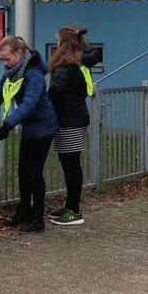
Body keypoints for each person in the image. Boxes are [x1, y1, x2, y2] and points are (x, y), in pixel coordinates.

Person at [0, 36, 58, 233]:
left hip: (44, 127)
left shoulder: (34, 74)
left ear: (19, 53)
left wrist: (7, 125)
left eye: (8, 58)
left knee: (34, 172)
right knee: (23, 171)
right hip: (29, 127)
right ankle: (24, 211)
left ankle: (38, 220)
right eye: (3, 59)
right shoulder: (11, 73)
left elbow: (29, 103)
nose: (5, 63)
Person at [46, 26, 100, 226]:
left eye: (58, 40)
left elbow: (56, 92)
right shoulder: (79, 63)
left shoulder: (65, 67)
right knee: (71, 165)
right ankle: (70, 206)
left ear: (64, 43)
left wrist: (43, 101)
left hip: (69, 121)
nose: (56, 44)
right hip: (76, 119)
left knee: (71, 166)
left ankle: (74, 211)